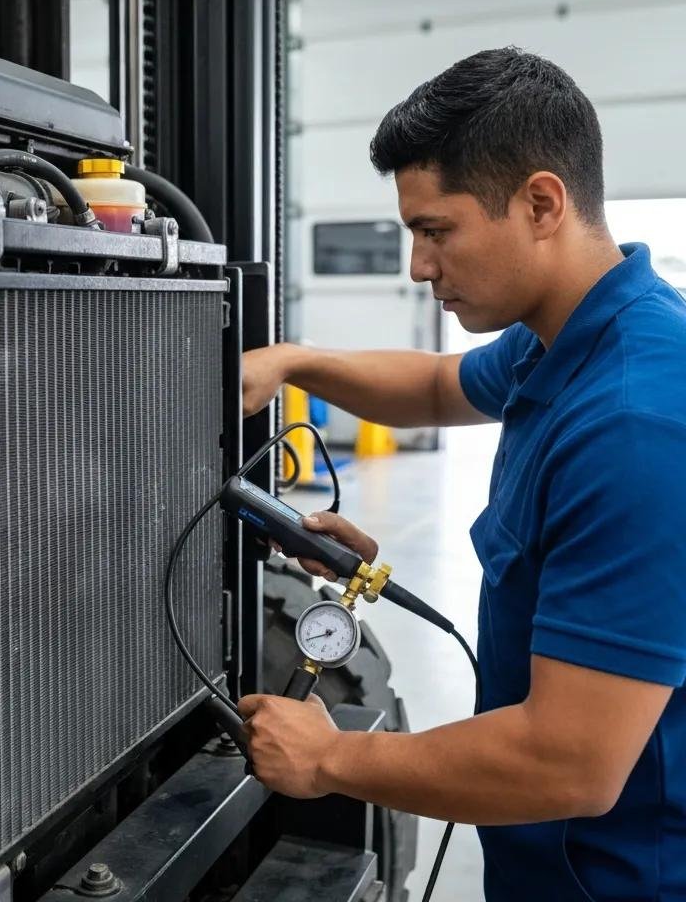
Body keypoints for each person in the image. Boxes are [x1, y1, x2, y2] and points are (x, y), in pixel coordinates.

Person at [239, 47, 686, 902]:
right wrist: (294, 361)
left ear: (541, 204)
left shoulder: (636, 422)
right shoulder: (565, 336)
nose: (417, 265)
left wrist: (330, 757)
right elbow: (439, 386)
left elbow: (569, 762)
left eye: (435, 231)